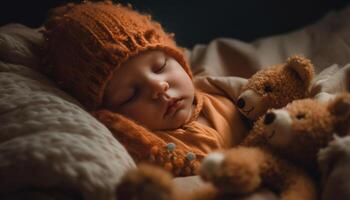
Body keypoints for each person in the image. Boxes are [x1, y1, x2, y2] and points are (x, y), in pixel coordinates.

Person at [42, 1, 248, 177]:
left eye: (160, 67)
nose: (159, 86)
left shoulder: (220, 92)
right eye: (130, 95)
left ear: (179, 59)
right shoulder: (149, 151)